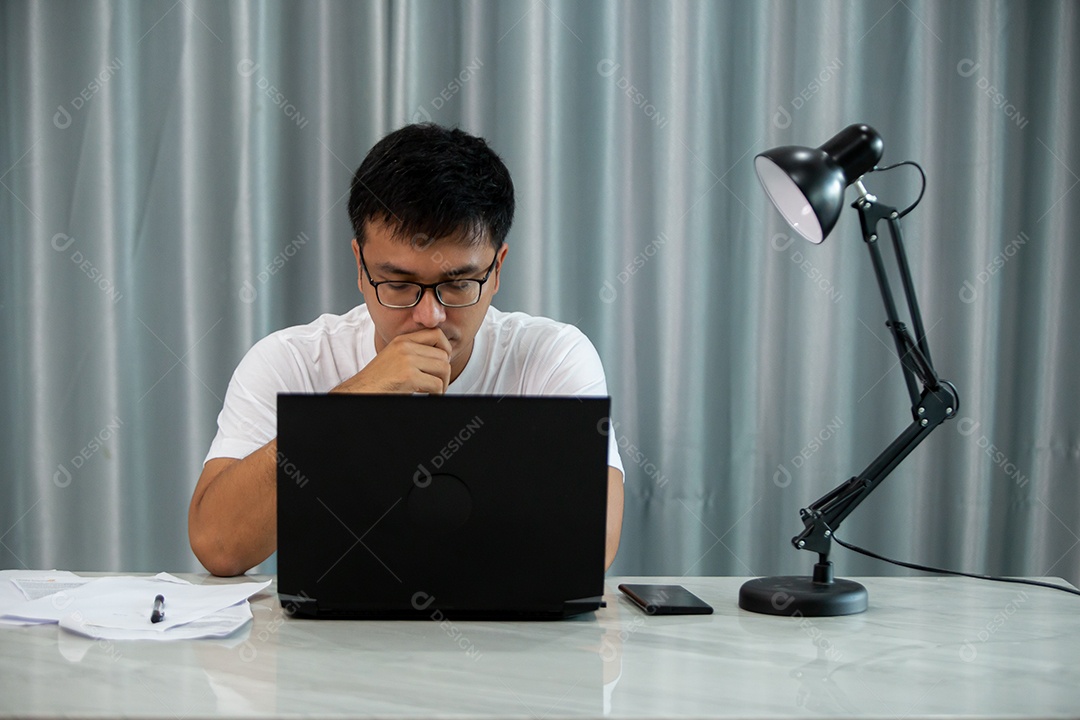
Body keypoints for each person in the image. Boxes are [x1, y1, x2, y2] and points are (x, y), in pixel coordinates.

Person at [189, 123, 624, 577]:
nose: (429, 316)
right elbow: (219, 548)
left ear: (497, 270)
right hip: (331, 645)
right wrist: (348, 407)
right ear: (360, 267)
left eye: (457, 285)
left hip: (508, 641)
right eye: (398, 284)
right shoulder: (289, 360)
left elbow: (591, 547)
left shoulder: (553, 357)